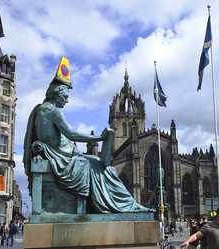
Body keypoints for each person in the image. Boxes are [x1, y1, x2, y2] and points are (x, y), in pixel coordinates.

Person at [23, 57, 151, 213]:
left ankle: (126, 204)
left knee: (100, 164)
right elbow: (71, 134)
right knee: (103, 169)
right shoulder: (51, 110)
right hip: (61, 159)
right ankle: (124, 205)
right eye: (65, 96)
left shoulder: (43, 108)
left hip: (60, 156)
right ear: (57, 94)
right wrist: (100, 137)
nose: (67, 100)